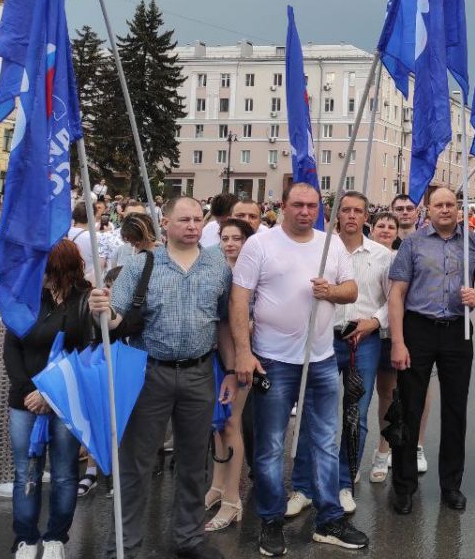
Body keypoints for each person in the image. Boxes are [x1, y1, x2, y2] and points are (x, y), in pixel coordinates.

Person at [88, 197, 232, 559]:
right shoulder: (141, 265)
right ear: (165, 223)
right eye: (184, 219)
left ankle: (190, 538)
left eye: (198, 219)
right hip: (150, 373)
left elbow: (225, 320)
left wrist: (230, 370)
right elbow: (117, 318)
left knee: (194, 461)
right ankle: (124, 546)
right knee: (135, 464)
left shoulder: (218, 264)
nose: (192, 226)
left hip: (200, 373)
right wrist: (101, 311)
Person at [230, 183, 366, 555]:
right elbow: (240, 299)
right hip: (273, 360)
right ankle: (271, 521)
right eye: (298, 205)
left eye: (312, 205)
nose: (305, 211)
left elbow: (351, 289)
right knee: (271, 445)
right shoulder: (260, 244)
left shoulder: (330, 244)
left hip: (320, 359)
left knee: (325, 441)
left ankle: (328, 520)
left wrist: (330, 292)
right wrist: (244, 351)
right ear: (284, 206)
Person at [387, 186, 475, 515]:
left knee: (454, 411)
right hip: (418, 329)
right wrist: (398, 341)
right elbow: (396, 294)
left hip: (457, 331)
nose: (445, 209)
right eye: (439, 204)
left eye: (451, 204)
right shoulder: (413, 243)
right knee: (409, 409)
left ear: (458, 208)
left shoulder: (474, 243)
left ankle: (451, 485)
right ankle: (404, 486)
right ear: (428, 209)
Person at [289, 192, 392, 516]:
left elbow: (393, 300)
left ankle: (343, 483)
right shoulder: (320, 250)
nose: (350, 215)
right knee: (311, 412)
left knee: (355, 415)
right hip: (322, 339)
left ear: (366, 217)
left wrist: (376, 321)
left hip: (363, 341)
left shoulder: (382, 255)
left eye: (357, 210)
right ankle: (303, 487)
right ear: (336, 215)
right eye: (344, 210)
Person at [5, 240, 93, 559]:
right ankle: (26, 539)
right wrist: (29, 390)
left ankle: (56, 536)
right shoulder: (27, 299)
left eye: (43, 266)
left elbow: (86, 354)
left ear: (60, 269)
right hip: (24, 400)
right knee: (25, 471)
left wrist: (48, 393)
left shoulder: (84, 303)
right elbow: (12, 347)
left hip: (66, 401)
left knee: (65, 473)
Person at [204, 217, 256, 532]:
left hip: (240, 359)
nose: (230, 243)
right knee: (217, 423)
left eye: (237, 238)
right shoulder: (216, 271)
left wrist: (238, 360)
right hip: (214, 356)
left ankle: (233, 499)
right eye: (225, 237)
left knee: (231, 422)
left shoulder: (251, 275)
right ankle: (218, 485)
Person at [371, 195, 425, 482]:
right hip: (374, 332)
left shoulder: (417, 245)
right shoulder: (364, 253)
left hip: (406, 331)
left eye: (408, 209)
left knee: (410, 391)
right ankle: (379, 449)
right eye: (382, 225)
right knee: (380, 392)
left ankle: (407, 446)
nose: (386, 230)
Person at [66, 202, 101, 283]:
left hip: (63, 281)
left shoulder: (63, 234)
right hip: (86, 283)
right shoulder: (96, 237)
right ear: (93, 217)